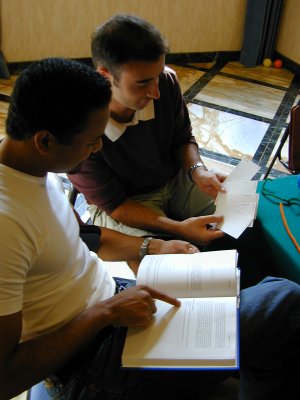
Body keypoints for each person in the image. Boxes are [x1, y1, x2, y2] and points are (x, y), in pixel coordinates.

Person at [0, 58, 299, 400]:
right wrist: (105, 312)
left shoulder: (28, 171)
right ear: (45, 141)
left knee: (228, 270)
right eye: (91, 141)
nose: (99, 148)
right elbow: (5, 377)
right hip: (91, 364)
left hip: (110, 301)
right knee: (285, 299)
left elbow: (82, 238)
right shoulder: (5, 224)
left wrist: (153, 247)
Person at [67, 13, 228, 246]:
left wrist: (197, 171)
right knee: (165, 265)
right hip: (124, 205)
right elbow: (115, 205)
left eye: (158, 75)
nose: (156, 92)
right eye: (143, 83)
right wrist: (178, 229)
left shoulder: (166, 82)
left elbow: (182, 139)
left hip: (174, 179)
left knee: (239, 215)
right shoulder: (78, 127)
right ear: (105, 76)